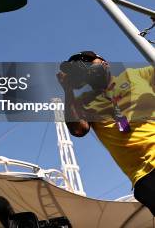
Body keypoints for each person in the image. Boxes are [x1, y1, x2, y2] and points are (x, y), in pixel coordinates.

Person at [58, 51, 155, 215]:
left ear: (105, 62)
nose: (87, 68)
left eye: (89, 61)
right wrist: (68, 90)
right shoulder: (83, 102)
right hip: (144, 175)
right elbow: (78, 130)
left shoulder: (136, 74)